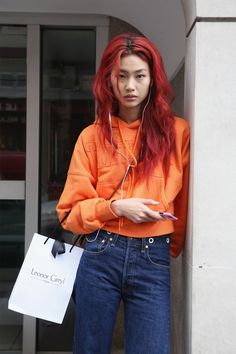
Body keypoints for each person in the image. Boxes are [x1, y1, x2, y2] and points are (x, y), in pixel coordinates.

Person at [57, 32, 190, 354]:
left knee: (151, 347)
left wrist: (170, 243)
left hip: (152, 255)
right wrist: (116, 208)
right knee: (90, 348)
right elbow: (69, 215)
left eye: (139, 76)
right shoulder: (91, 137)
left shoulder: (176, 132)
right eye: (122, 76)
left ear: (152, 80)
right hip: (101, 251)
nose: (130, 86)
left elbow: (183, 200)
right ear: (109, 81)